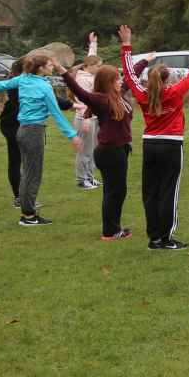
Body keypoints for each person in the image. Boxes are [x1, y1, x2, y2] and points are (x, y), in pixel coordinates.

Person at [121, 26, 189, 250]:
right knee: (168, 191)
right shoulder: (174, 92)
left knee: (150, 191)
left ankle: (154, 237)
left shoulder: (142, 94)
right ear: (167, 78)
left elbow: (129, 74)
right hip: (171, 145)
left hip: (150, 144)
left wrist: (126, 46)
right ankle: (165, 238)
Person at [0, 52, 80, 226]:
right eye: (49, 64)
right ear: (41, 68)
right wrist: (72, 135)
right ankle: (29, 216)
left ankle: (27, 212)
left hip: (22, 131)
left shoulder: (23, 79)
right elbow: (56, 114)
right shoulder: (44, 87)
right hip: (33, 132)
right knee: (33, 174)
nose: (52, 66)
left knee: (28, 173)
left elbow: (0, 85)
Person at [60, 57, 137, 241]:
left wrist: (140, 58)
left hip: (119, 149)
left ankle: (112, 229)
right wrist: (63, 71)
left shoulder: (117, 96)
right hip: (110, 152)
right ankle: (110, 232)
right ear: (108, 82)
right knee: (114, 192)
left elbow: (129, 78)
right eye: (116, 79)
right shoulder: (101, 100)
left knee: (116, 191)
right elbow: (78, 90)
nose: (120, 81)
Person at [70, 33, 102, 190]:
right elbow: (83, 102)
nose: (99, 68)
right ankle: (82, 180)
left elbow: (91, 57)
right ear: (89, 66)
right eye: (98, 66)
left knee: (94, 149)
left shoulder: (90, 73)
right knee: (85, 150)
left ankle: (90, 177)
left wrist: (93, 44)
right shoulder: (83, 79)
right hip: (85, 119)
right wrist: (87, 119)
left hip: (94, 118)